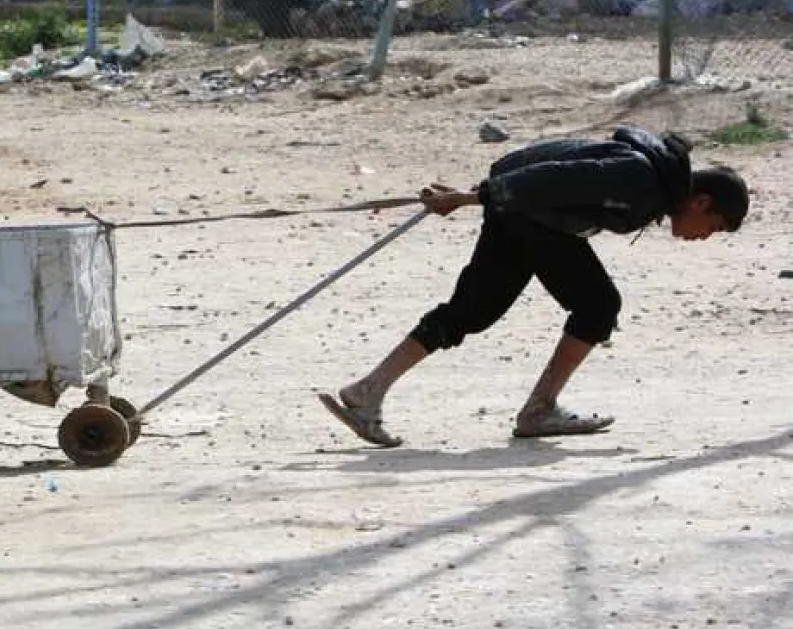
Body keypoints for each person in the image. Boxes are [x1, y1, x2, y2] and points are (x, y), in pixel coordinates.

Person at [319, 126, 749, 448]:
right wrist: (470, 198)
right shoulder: (640, 177)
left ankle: (367, 391)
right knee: (598, 305)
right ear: (701, 202)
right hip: (529, 215)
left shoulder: (652, 179)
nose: (703, 237)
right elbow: (554, 178)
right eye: (712, 227)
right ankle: (540, 410)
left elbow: (546, 171)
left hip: (520, 212)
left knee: (472, 310)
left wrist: (479, 194)